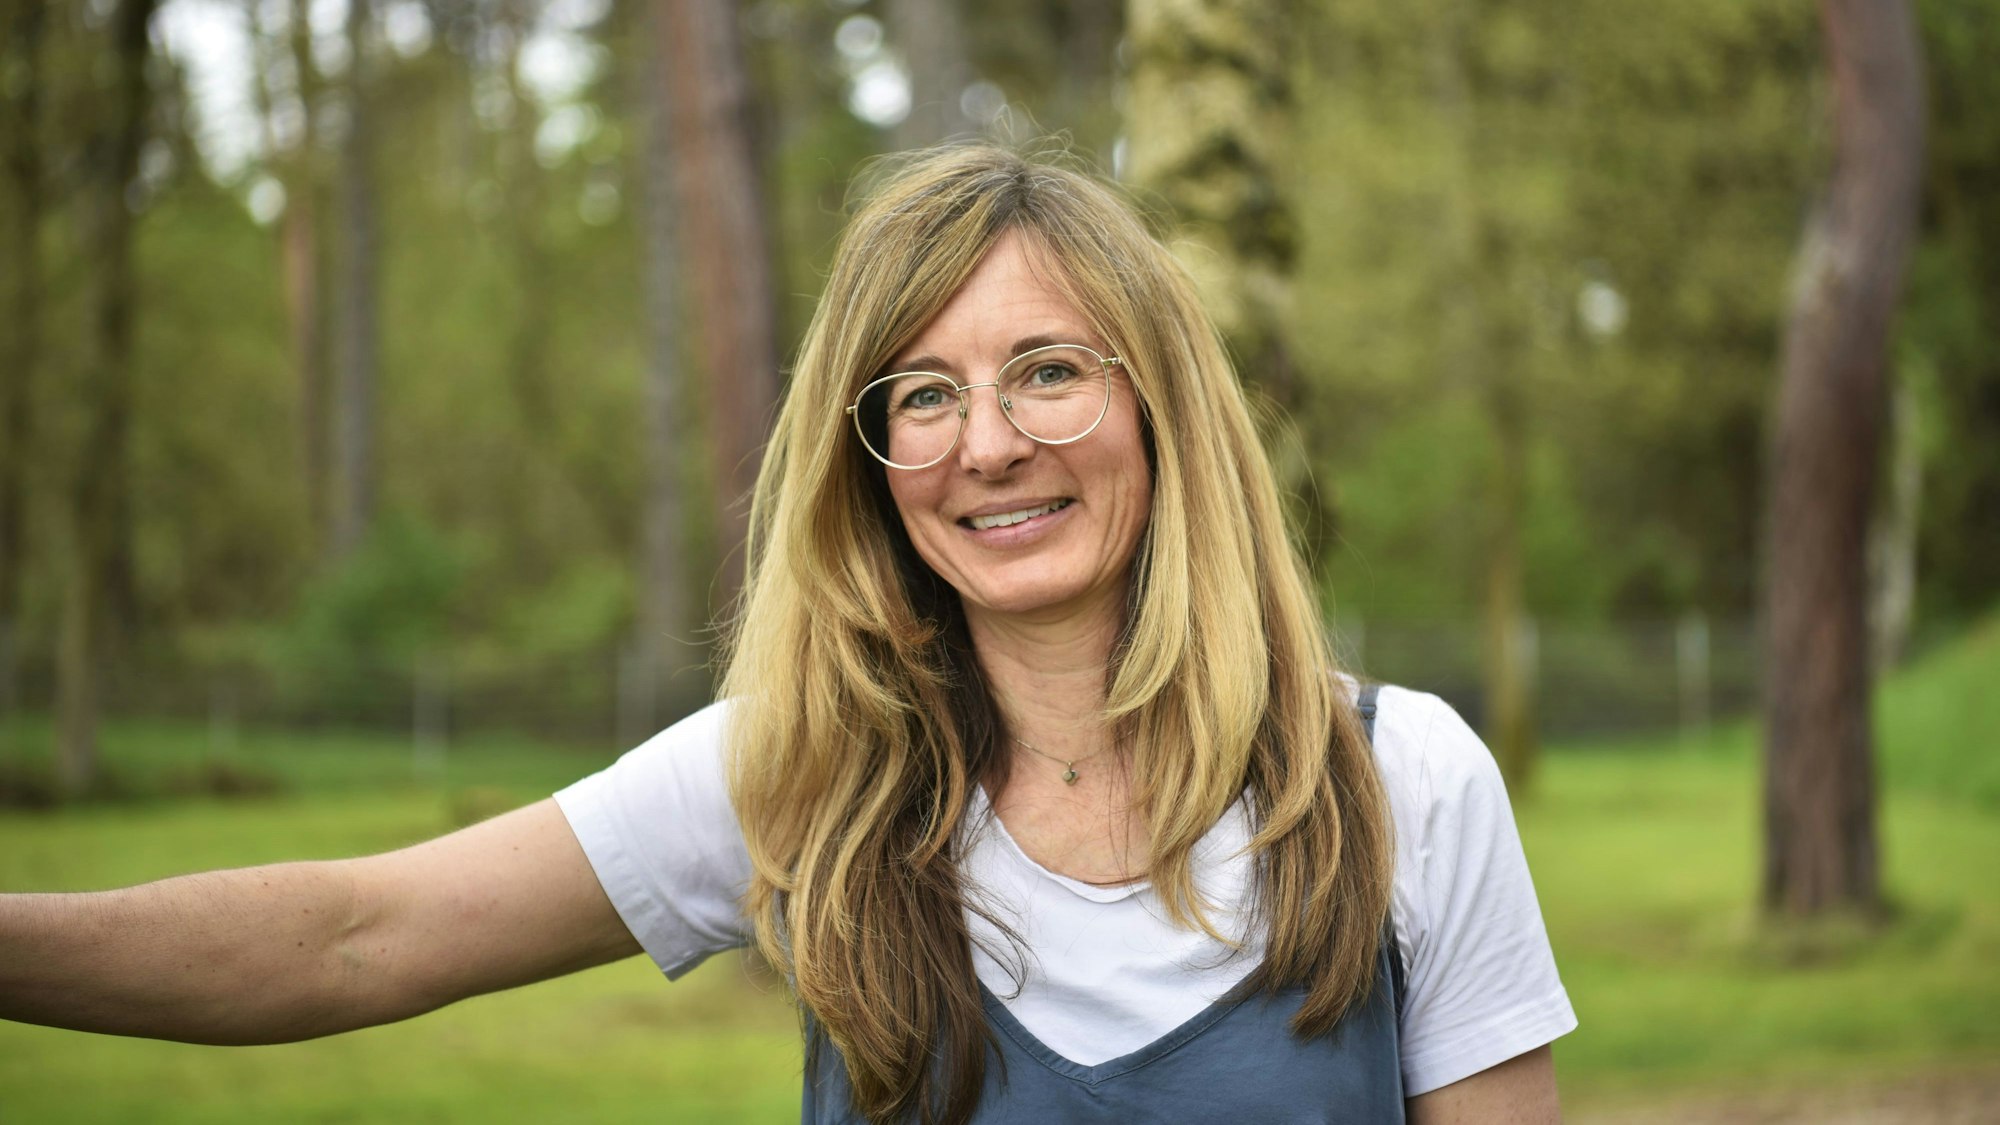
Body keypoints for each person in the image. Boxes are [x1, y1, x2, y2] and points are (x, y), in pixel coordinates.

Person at [0, 145, 1575, 1123]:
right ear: (869, 462)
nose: (988, 444)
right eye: (924, 396)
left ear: (1161, 408)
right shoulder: (807, 768)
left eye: (1046, 370)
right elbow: (359, 932)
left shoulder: (1398, 781)